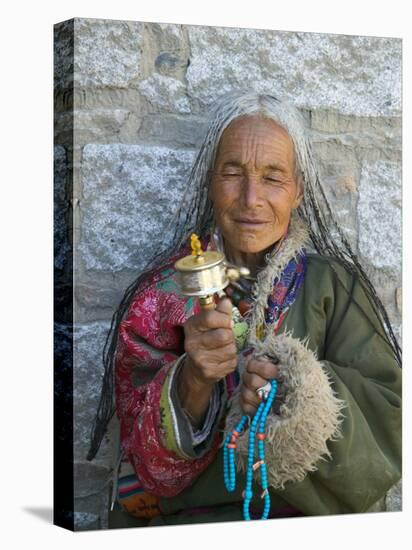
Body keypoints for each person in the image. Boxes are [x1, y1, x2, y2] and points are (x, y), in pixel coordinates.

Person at [87, 92, 402, 528]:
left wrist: (295, 389)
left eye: (273, 177)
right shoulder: (159, 297)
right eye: (233, 173)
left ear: (297, 192)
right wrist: (193, 381)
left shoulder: (337, 288)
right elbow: (140, 464)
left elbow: (391, 422)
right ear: (211, 184)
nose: (251, 198)